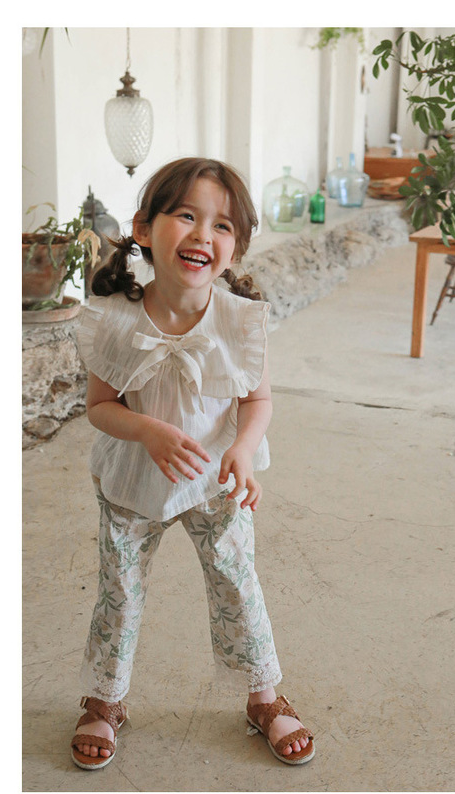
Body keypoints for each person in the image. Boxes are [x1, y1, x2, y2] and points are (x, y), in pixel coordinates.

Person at [70, 157, 315, 770]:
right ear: (144, 229)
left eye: (222, 225)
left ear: (236, 248)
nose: (204, 233)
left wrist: (243, 449)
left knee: (237, 581)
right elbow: (100, 407)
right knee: (119, 590)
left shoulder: (240, 320)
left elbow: (257, 400)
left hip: (215, 479)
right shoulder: (115, 318)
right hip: (133, 477)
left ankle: (263, 696)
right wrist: (148, 430)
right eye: (186, 215)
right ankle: (105, 699)